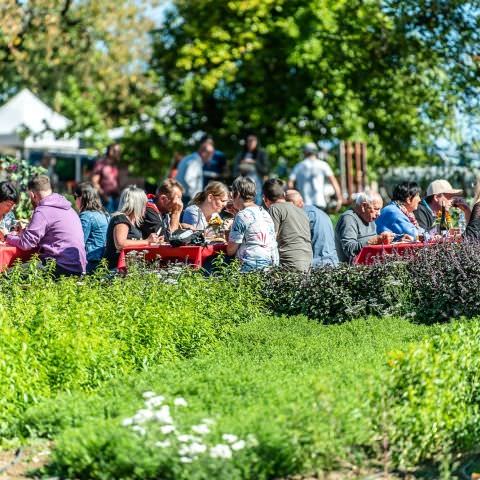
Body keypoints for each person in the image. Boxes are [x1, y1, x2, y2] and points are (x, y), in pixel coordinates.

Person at [5, 175, 86, 276]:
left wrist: (7, 237)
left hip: (59, 266)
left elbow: (26, 244)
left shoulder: (42, 211)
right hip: (79, 267)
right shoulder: (69, 208)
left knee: (6, 276)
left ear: (32, 195)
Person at [226, 177, 278, 272]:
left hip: (251, 265)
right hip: (272, 263)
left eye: (232, 194)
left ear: (237, 194)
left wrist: (227, 231)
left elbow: (230, 250)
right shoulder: (264, 212)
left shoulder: (243, 215)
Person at [103, 186, 160, 270]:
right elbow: (120, 244)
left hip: (127, 268)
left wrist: (154, 241)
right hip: (116, 268)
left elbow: (134, 242)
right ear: (138, 204)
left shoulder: (133, 222)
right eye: (144, 203)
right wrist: (147, 241)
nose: (146, 206)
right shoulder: (121, 219)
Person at [262, 178, 312, 271]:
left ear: (264, 198)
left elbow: (271, 239)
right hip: (307, 261)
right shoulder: (301, 211)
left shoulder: (274, 209)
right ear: (284, 195)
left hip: (288, 262)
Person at [335, 192, 394, 263]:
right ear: (363, 206)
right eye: (376, 209)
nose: (379, 213)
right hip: (351, 270)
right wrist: (375, 240)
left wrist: (396, 239)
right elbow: (350, 250)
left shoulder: (368, 217)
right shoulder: (348, 219)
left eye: (380, 209)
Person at [286, 189, 338, 267]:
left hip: (319, 263)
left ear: (291, 203)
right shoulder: (317, 211)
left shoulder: (305, 215)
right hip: (332, 261)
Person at [288, 142, 342, 212]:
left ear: (305, 152)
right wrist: (339, 198)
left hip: (303, 204)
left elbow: (290, 184)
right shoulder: (323, 165)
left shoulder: (299, 166)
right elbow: (333, 181)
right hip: (320, 202)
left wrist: (292, 199)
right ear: (315, 152)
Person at [74, 182, 109, 273]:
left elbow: (79, 242)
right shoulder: (104, 213)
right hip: (104, 259)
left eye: (75, 197)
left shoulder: (86, 216)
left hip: (91, 262)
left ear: (81, 198)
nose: (75, 201)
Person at [176, 138, 215, 204]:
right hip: (186, 198)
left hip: (181, 196)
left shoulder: (189, 158)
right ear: (204, 153)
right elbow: (190, 180)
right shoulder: (195, 162)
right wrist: (196, 200)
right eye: (210, 155)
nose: (210, 158)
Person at [234, 133, 269, 204]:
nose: (251, 143)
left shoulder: (261, 154)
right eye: (249, 141)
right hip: (243, 184)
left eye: (253, 141)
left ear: (256, 142)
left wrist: (254, 162)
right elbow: (235, 170)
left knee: (257, 201)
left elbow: (265, 170)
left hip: (257, 184)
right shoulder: (241, 154)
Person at [92, 143, 121, 213]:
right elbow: (94, 182)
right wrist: (104, 195)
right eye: (117, 151)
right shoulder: (101, 164)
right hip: (106, 199)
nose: (119, 153)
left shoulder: (116, 164)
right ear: (111, 151)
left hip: (116, 198)